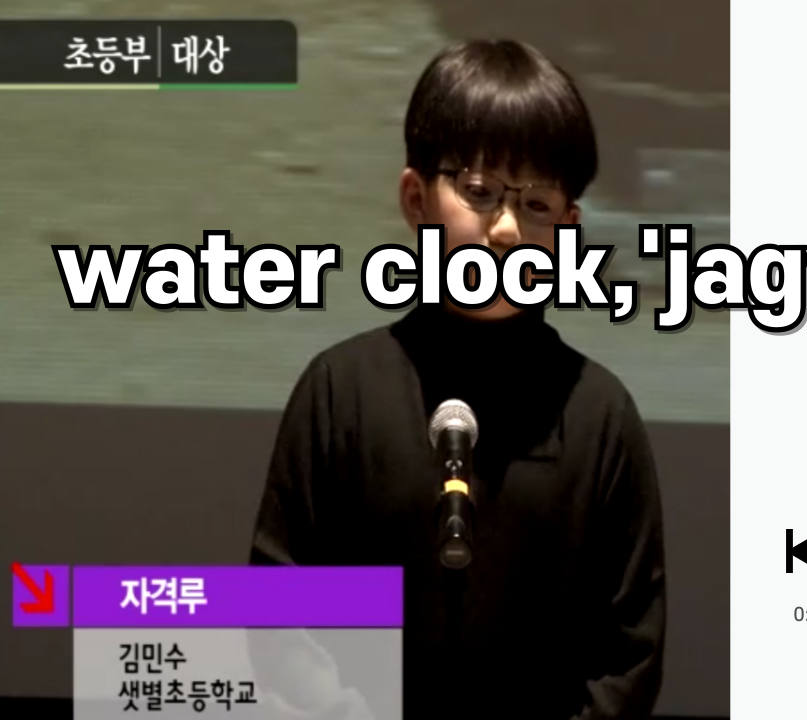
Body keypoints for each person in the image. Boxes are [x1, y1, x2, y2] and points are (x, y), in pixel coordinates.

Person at [248, 39, 666, 720]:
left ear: (569, 227)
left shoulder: (599, 415)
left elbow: (628, 655)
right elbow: (280, 618)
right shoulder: (340, 391)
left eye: (537, 204)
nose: (506, 230)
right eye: (480, 193)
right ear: (416, 199)